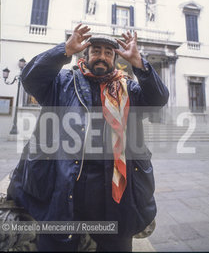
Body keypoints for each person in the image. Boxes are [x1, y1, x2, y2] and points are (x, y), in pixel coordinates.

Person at [7, 24, 169, 252]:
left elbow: (158, 98)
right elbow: (30, 78)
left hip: (114, 198)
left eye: (108, 52)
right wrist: (64, 50)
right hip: (62, 189)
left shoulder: (128, 89)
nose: (102, 56)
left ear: (115, 58)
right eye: (96, 51)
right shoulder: (62, 83)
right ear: (86, 54)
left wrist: (140, 64)